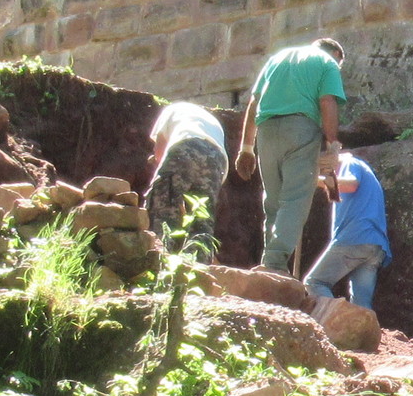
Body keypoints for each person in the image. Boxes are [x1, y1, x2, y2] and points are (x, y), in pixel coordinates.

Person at [233, 37, 346, 275]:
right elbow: (327, 101)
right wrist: (332, 145)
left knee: (273, 201)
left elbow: (254, 103)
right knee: (295, 200)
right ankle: (275, 263)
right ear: (335, 55)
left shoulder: (276, 59)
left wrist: (246, 148)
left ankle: (269, 262)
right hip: (300, 130)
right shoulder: (327, 63)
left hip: (266, 131)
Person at [303, 149, 388, 317]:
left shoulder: (351, 162)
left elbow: (351, 184)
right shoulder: (365, 171)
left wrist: (312, 179)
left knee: (315, 282)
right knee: (362, 305)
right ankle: (362, 332)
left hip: (355, 238)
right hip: (374, 245)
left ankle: (336, 322)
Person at [145, 97, 230, 236]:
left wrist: (157, 163)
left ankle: (162, 246)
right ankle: (198, 249)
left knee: (164, 209)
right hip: (217, 159)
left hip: (186, 147)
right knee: (201, 219)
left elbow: (159, 152)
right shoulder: (208, 120)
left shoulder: (171, 110)